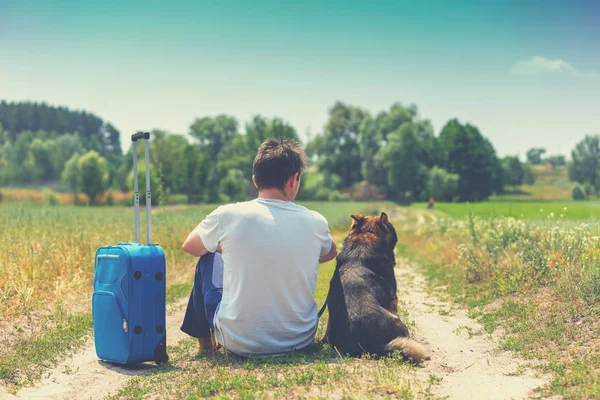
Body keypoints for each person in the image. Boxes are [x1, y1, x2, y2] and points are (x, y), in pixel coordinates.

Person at [180, 138, 337, 357]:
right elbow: (330, 253)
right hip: (300, 339)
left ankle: (206, 340)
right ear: (294, 180)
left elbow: (190, 246)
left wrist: (228, 248)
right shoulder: (316, 221)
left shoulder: (227, 215)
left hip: (238, 341)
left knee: (208, 255)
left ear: (255, 181)